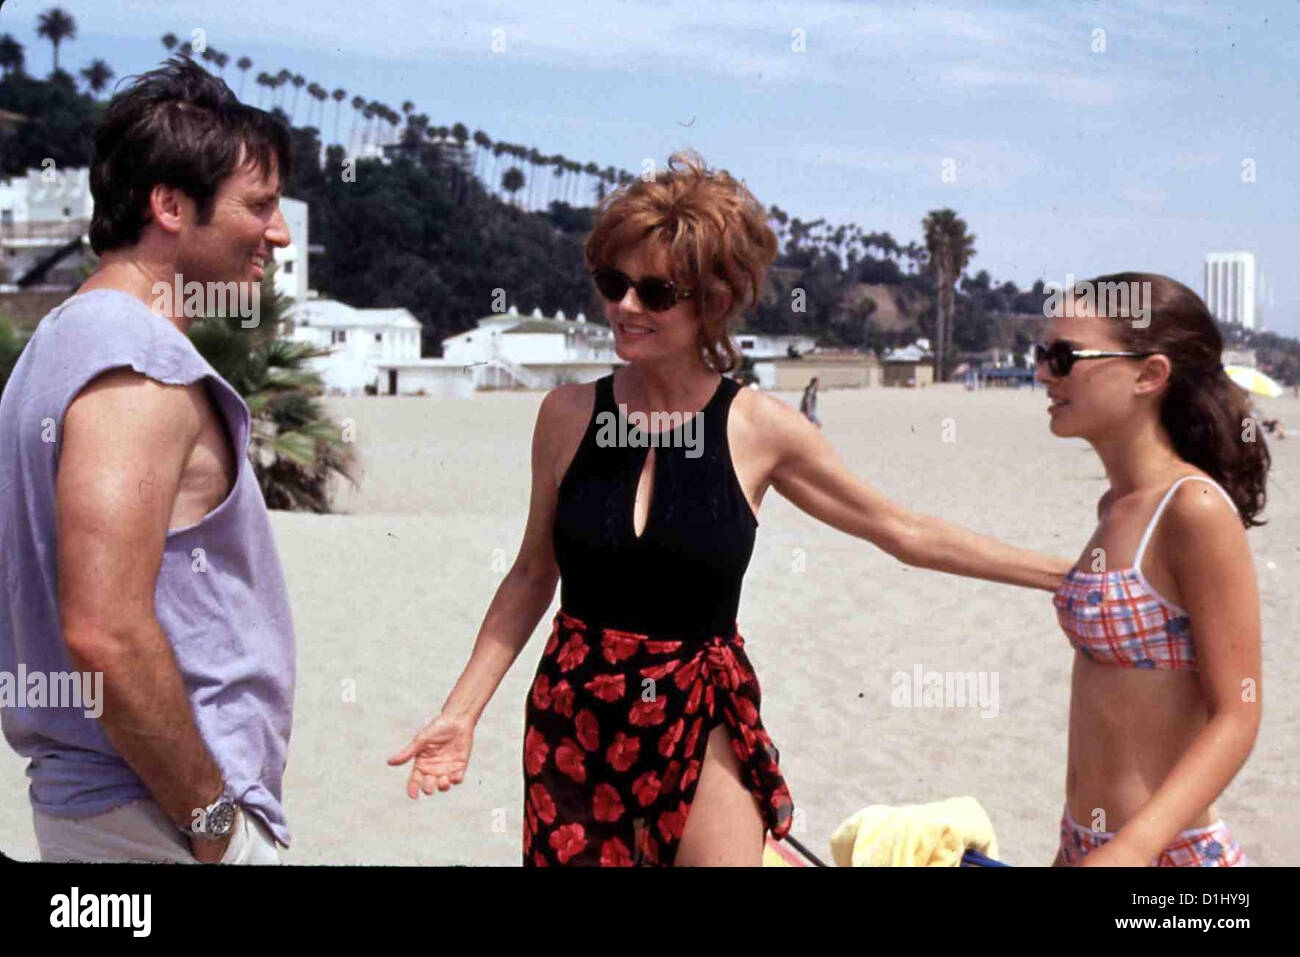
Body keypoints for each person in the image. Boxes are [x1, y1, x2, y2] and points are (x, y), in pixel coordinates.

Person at [389, 150, 1071, 867]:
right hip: (573, 716)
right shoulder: (565, 415)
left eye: (656, 292)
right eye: (612, 282)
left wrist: (1065, 573)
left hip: (701, 714)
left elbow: (900, 530)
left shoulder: (758, 427)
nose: (624, 306)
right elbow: (531, 574)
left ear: (713, 300)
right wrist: (460, 714)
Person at [0, 56, 295, 864]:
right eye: (259, 206)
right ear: (170, 204)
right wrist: (213, 828)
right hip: (154, 821)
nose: (279, 232)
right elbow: (103, 632)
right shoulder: (138, 368)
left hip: (109, 814)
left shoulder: (57, 344)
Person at [1038, 273, 1266, 867]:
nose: (1044, 374)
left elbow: (1238, 713)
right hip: (1084, 847)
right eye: (1043, 354)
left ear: (1149, 374)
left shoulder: (1194, 508)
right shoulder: (1114, 508)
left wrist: (1132, 851)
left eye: (1064, 357)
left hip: (1166, 857)